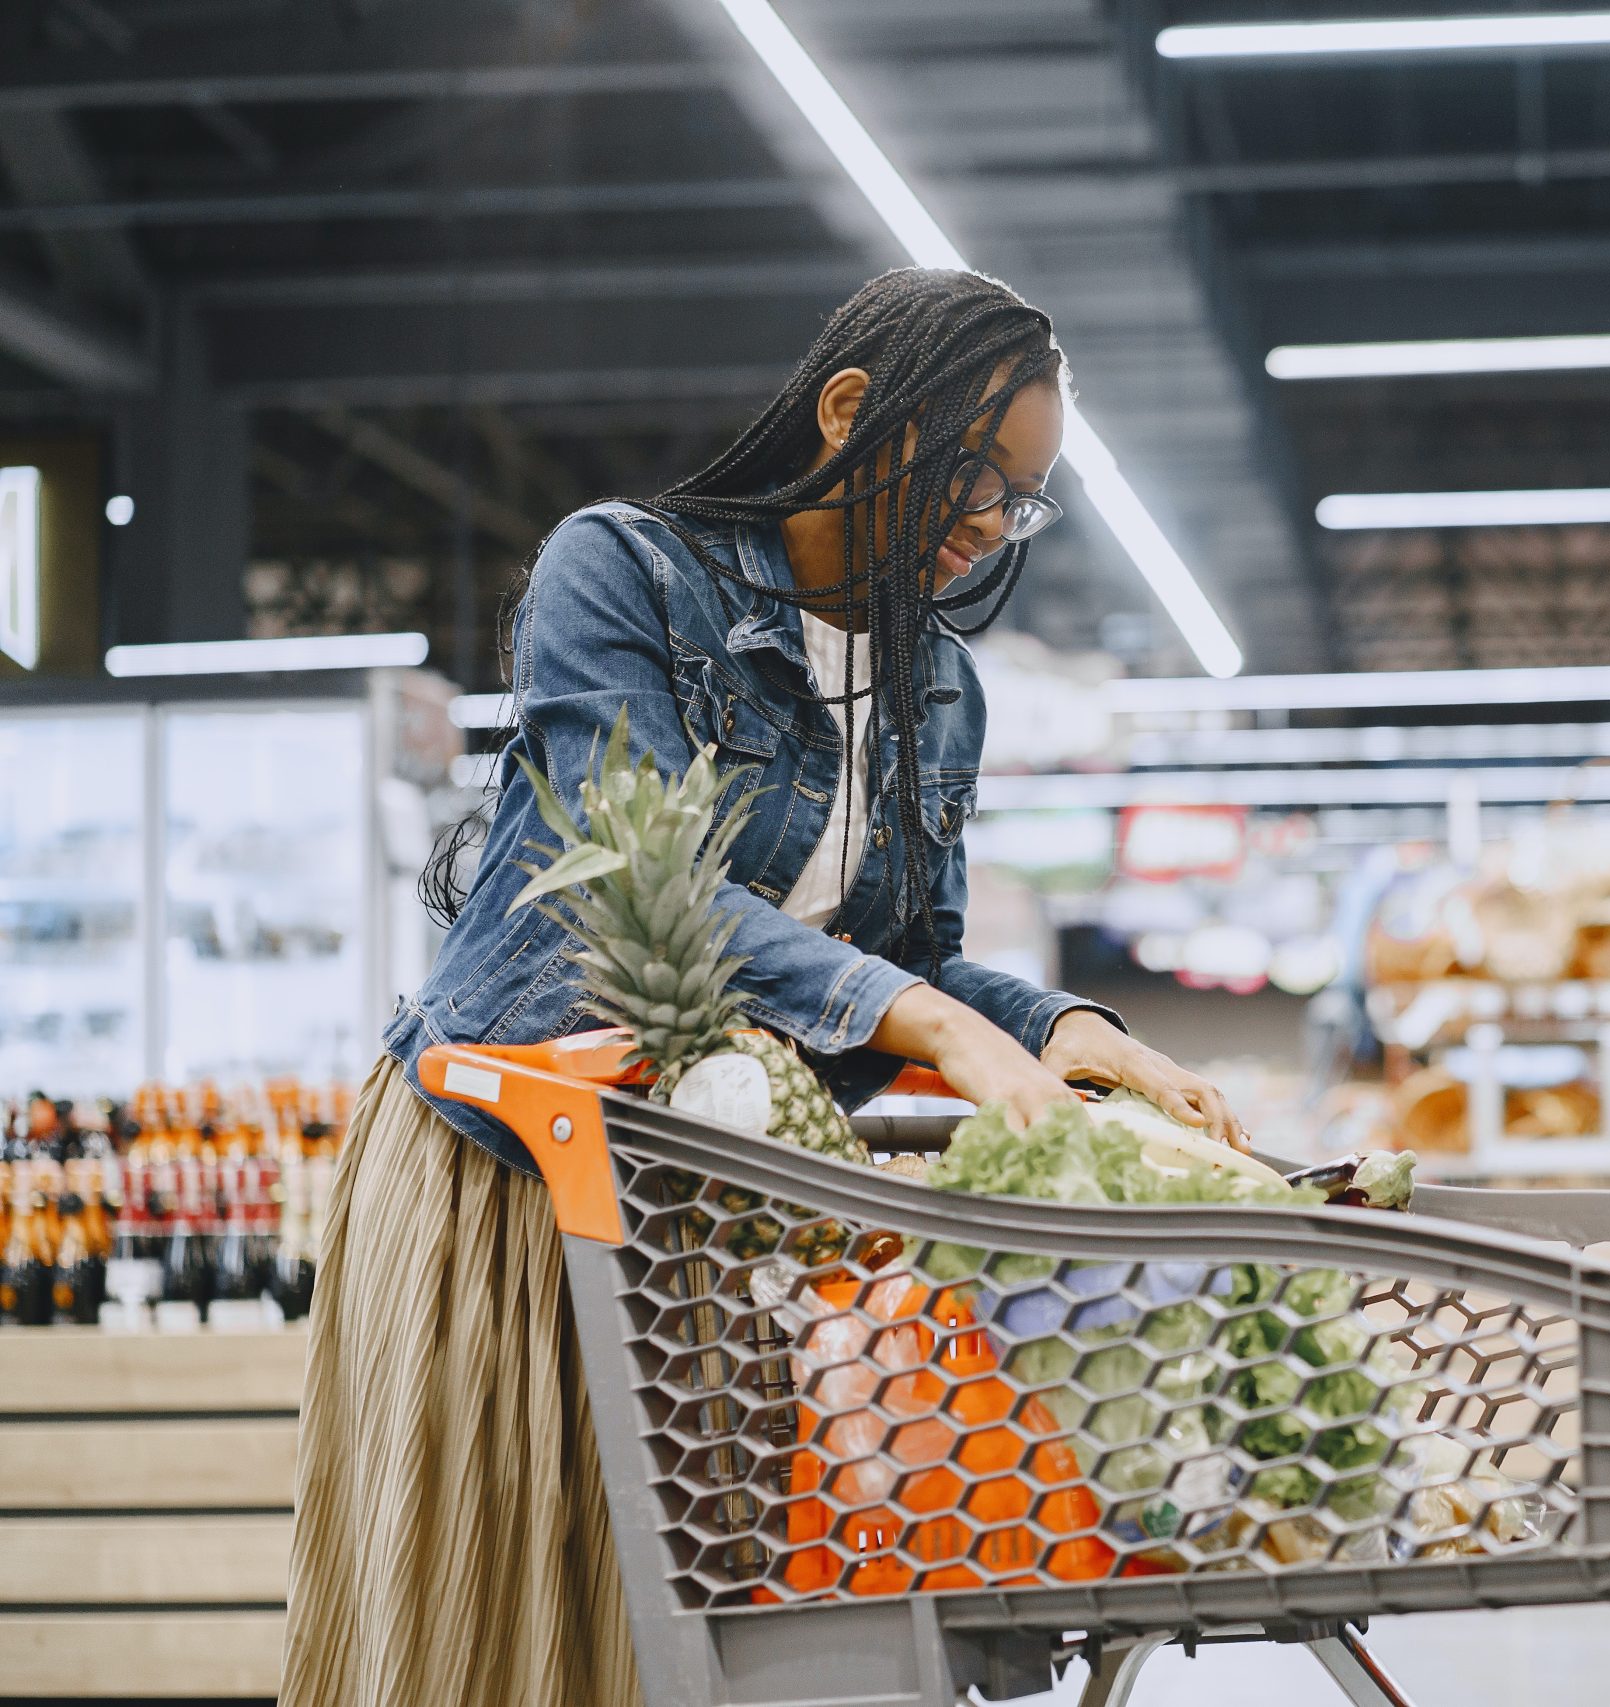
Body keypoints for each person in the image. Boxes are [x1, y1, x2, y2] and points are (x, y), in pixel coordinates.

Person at [280, 268, 1243, 1707]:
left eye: (1021, 501)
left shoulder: (939, 689)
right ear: (851, 411)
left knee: (681, 1636)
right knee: (495, 1626)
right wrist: (933, 1026)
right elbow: (628, 879)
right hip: (516, 1167)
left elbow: (904, 956)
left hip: (717, 1199)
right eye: (977, 474)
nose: (989, 524)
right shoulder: (620, 575)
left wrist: (1073, 1031)